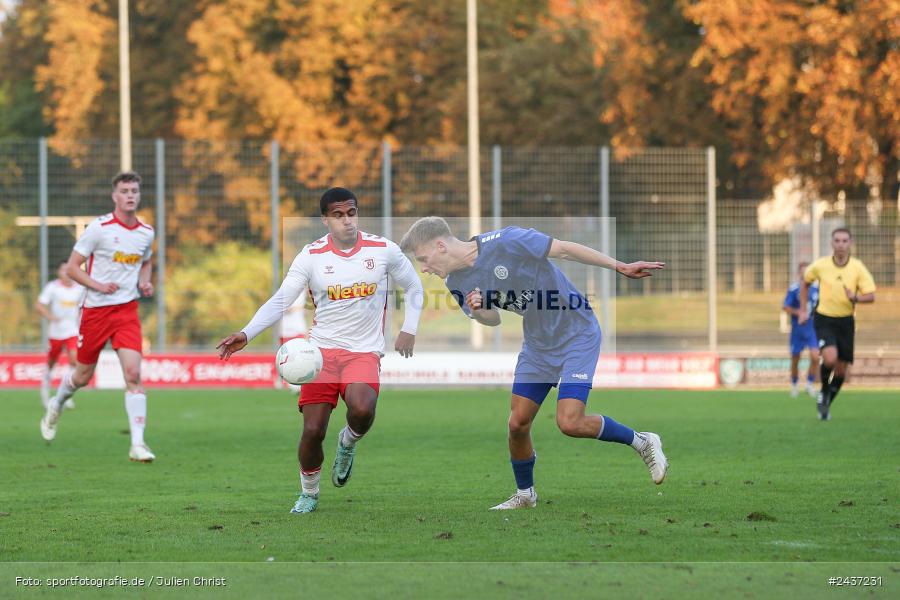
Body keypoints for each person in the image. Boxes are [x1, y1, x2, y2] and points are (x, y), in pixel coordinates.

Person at [400, 217, 669, 510]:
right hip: (538, 345)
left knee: (570, 422)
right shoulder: (455, 282)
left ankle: (642, 441)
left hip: (577, 332)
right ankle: (525, 495)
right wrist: (479, 310)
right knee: (517, 424)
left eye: (423, 259)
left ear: (440, 246)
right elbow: (493, 319)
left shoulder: (507, 241)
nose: (424, 268)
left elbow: (564, 249)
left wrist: (619, 266)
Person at [217, 187, 424, 514]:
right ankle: (309, 493)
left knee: (363, 409)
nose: (347, 221)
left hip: (362, 352)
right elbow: (282, 299)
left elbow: (414, 286)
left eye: (352, 213)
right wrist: (247, 332)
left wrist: (409, 328)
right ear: (326, 220)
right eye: (338, 215)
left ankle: (347, 443)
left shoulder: (383, 249)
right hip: (320, 354)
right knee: (313, 431)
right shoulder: (311, 256)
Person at [40, 171, 157, 463]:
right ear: (114, 196)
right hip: (95, 312)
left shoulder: (146, 232)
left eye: (134, 191)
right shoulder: (99, 228)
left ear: (139, 195)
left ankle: (138, 444)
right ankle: (57, 403)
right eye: (125, 191)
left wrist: (145, 282)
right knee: (82, 376)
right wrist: (98, 285)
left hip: (127, 311)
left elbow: (146, 261)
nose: (130, 196)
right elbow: (72, 268)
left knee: (133, 374)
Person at [799, 227, 875, 420]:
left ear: (850, 243)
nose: (841, 245)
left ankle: (825, 403)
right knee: (830, 359)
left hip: (846, 321)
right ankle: (824, 390)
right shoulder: (821, 265)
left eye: (844, 241)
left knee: (841, 370)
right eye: (837, 241)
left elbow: (871, 295)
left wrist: (855, 297)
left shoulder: (857, 267)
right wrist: (803, 310)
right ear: (832, 243)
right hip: (824, 318)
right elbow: (805, 282)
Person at [35, 260, 84, 408]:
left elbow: (85, 306)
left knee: (74, 361)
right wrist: (51, 317)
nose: (67, 273)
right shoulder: (53, 287)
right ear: (59, 272)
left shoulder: (79, 288)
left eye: (69, 270)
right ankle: (45, 387)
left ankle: (65, 393)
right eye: (64, 270)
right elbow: (39, 305)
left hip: (72, 330)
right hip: (56, 332)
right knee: (51, 362)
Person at [782, 261, 819, 398]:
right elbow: (785, 307)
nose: (805, 275)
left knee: (815, 357)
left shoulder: (816, 289)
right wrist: (798, 312)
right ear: (799, 273)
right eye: (802, 272)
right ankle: (794, 384)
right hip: (798, 330)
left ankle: (809, 383)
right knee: (795, 358)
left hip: (812, 330)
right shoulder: (794, 289)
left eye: (807, 272)